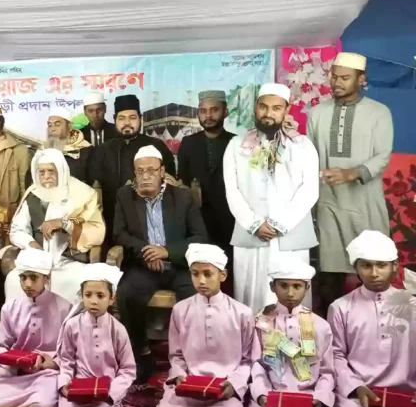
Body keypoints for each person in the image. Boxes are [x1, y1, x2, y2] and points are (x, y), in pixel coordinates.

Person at [307, 52, 394, 318]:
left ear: (361, 79)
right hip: (329, 203)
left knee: (372, 270)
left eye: (345, 78)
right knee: (329, 277)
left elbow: (382, 156)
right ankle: (331, 331)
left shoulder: (379, 112)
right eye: (334, 76)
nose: (336, 82)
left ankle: (374, 328)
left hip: (365, 203)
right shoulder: (317, 114)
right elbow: (309, 157)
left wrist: (351, 173)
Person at [223, 83, 319, 313]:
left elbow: (310, 190)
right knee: (250, 301)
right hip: (251, 234)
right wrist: (253, 223)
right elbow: (231, 190)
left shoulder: (303, 146)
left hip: (291, 235)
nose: (268, 113)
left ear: (286, 110)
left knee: (292, 302)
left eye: (276, 108)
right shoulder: (237, 145)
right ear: (256, 108)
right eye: (263, 107)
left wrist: (280, 224)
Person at [114, 145, 207, 381]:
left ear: (162, 172)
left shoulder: (183, 197)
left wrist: (165, 252)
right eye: (140, 171)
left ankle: (191, 357)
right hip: (144, 265)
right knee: (126, 294)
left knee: (195, 295)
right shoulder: (125, 196)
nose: (145, 176)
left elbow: (199, 237)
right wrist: (148, 253)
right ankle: (142, 354)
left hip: (178, 265)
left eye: (151, 170)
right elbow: (119, 234)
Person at [154, 244, 253, 407]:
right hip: (188, 388)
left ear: (222, 276)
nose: (201, 281)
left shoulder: (242, 313)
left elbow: (248, 360)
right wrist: (179, 376)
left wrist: (233, 384)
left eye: (208, 274)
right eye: (195, 274)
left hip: (223, 389)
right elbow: (176, 355)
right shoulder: (180, 310)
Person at [329, 230, 416, 407]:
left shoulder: (412, 305)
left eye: (381, 265)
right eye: (366, 266)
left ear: (394, 266)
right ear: (356, 268)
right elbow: (336, 355)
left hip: (408, 394)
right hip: (360, 396)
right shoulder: (340, 307)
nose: (374, 273)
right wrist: (356, 386)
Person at [246, 256, 340, 407]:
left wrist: (319, 398)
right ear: (273, 287)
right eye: (283, 286)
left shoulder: (320, 326)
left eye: (297, 286)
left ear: (307, 288)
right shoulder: (261, 323)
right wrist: (263, 396)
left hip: (309, 397)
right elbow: (257, 366)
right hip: (272, 396)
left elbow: (327, 372)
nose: (290, 293)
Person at [0, 248, 72, 407]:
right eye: (23, 277)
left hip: (46, 373)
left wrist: (52, 363)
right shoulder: (10, 308)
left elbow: (71, 351)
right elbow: (0, 345)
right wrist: (13, 361)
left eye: (33, 278)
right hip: (13, 372)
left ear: (46, 278)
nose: (27, 284)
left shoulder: (65, 308)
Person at [6, 149, 104, 304]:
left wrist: (63, 224)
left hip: (67, 260)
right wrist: (32, 245)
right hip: (36, 260)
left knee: (73, 281)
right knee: (13, 280)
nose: (46, 177)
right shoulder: (33, 194)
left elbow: (96, 231)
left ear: (61, 170)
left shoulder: (82, 194)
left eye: (51, 171)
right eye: (42, 172)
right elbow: (17, 229)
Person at [89, 94, 175, 251]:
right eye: (122, 118)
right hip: (112, 222)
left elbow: (170, 183)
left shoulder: (156, 146)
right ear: (115, 120)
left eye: (132, 117)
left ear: (140, 119)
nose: (127, 123)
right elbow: (94, 187)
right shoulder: (102, 151)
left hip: (152, 223)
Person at [55, 264, 136, 407]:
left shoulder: (118, 330)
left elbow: (128, 369)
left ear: (111, 299)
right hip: (77, 391)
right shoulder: (71, 325)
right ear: (82, 297)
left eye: (100, 296)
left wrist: (112, 392)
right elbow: (66, 361)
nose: (93, 301)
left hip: (106, 393)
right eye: (88, 295)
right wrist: (65, 385)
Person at [177, 90, 236, 293]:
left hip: (229, 220)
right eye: (203, 111)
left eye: (214, 110)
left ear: (225, 112)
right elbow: (182, 182)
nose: (208, 115)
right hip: (197, 221)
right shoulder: (188, 143)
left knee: (228, 274)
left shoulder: (236, 143)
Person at [41, 107, 92, 183]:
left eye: (57, 124)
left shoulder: (86, 150)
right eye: (50, 125)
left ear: (69, 126)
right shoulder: (42, 151)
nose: (52, 129)